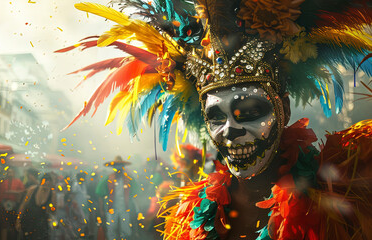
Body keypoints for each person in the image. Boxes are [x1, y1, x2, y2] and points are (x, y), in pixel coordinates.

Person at [58, 1, 372, 239]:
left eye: (249, 112)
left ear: (284, 108)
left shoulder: (346, 197)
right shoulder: (187, 217)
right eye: (215, 117)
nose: (230, 132)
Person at [95, 156, 140, 240]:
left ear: (123, 167)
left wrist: (137, 208)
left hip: (125, 207)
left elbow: (136, 193)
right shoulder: (108, 178)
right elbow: (100, 193)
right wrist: (101, 209)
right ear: (113, 167)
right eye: (116, 166)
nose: (119, 168)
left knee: (126, 229)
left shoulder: (129, 178)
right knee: (111, 228)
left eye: (120, 166)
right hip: (112, 208)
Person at [16, 173, 56, 240]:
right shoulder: (32, 190)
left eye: (48, 185)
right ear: (41, 182)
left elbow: (53, 211)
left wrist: (52, 207)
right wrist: (18, 220)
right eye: (44, 184)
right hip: (28, 222)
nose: (46, 186)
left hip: (41, 225)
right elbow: (23, 205)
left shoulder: (52, 194)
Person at [0, 167, 25, 240]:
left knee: (13, 224)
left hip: (14, 204)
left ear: (14, 173)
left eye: (11, 172)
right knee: (4, 225)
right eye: (8, 172)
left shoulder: (18, 182)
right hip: (4, 204)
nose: (10, 174)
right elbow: (0, 193)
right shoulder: (4, 182)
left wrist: (12, 192)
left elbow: (22, 191)